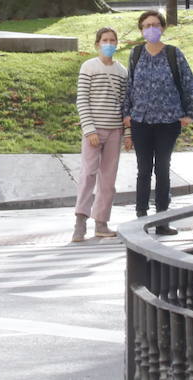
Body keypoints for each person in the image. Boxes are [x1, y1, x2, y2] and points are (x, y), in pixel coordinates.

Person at [122, 10, 193, 236]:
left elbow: (189, 84)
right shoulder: (136, 54)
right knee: (143, 168)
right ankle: (141, 216)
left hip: (168, 121)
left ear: (163, 28)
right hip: (141, 120)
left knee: (163, 168)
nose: (151, 29)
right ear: (141, 29)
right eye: (146, 25)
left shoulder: (174, 54)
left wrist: (190, 113)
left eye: (155, 24)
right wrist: (127, 113)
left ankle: (163, 219)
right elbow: (130, 85)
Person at [72, 27, 128, 242]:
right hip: (94, 131)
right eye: (105, 40)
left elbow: (125, 105)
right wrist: (89, 129)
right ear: (97, 44)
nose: (109, 43)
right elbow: (82, 100)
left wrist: (127, 132)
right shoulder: (88, 67)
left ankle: (101, 221)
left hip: (115, 130)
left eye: (113, 40)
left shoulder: (122, 71)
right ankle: (80, 220)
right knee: (88, 175)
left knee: (108, 179)